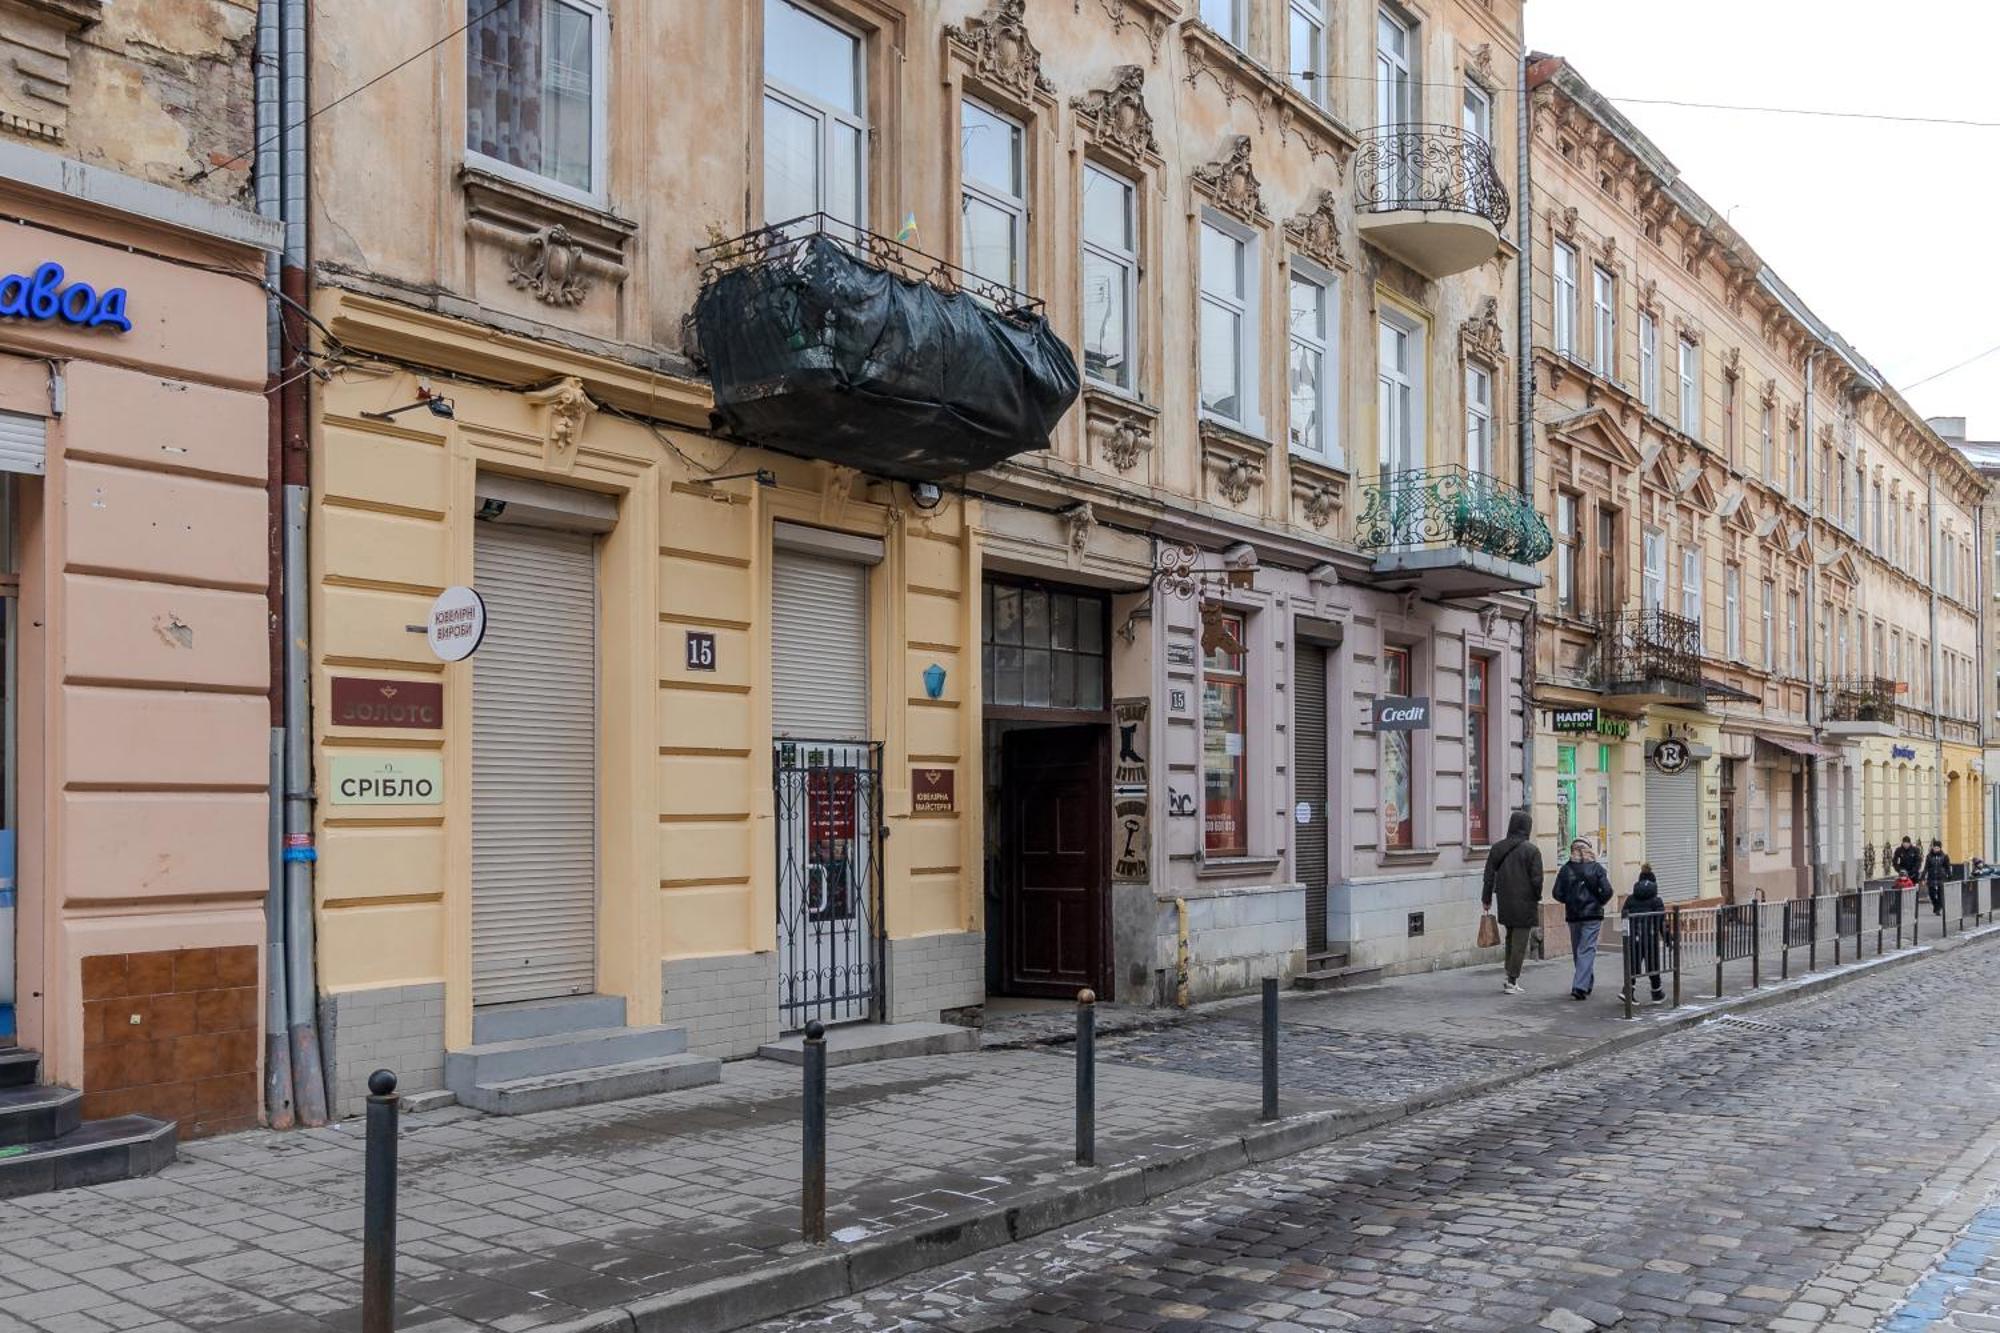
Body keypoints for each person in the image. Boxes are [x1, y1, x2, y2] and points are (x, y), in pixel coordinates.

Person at [1481, 810, 1545, 996]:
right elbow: (1537, 880)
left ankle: (1509, 974)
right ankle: (1512, 979)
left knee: (1510, 937)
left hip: (1505, 900)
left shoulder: (1498, 848)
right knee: (1519, 942)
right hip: (1525, 902)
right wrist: (1537, 896)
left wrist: (1486, 899)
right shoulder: (1532, 850)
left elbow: (1488, 876)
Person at [1552, 836, 1614, 999]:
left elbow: (1556, 893)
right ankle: (1581, 985)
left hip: (1574, 915)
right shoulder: (1597, 869)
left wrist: (1570, 901)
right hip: (1592, 915)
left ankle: (1583, 983)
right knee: (1586, 950)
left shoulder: (1566, 869)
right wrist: (1598, 902)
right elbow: (1608, 891)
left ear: (1572, 851)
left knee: (1578, 950)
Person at [1622, 863, 1670, 1004]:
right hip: (1650, 937)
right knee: (1653, 964)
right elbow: (1661, 921)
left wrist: (1626, 935)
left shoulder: (1630, 899)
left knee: (1633, 964)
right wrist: (1667, 938)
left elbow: (1624, 915)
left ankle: (1628, 991)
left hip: (1633, 937)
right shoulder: (1656, 900)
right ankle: (1656, 993)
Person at [1924, 839, 1951, 916]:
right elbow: (1926, 867)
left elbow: (1947, 867)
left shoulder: (1944, 856)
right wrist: (1923, 877)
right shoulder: (1929, 856)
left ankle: (1938, 909)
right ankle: (1936, 905)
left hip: (1941, 877)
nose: (1936, 849)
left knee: (1940, 894)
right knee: (1931, 894)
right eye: (1934, 847)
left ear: (1940, 848)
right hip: (1931, 877)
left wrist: (1949, 875)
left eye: (1937, 848)